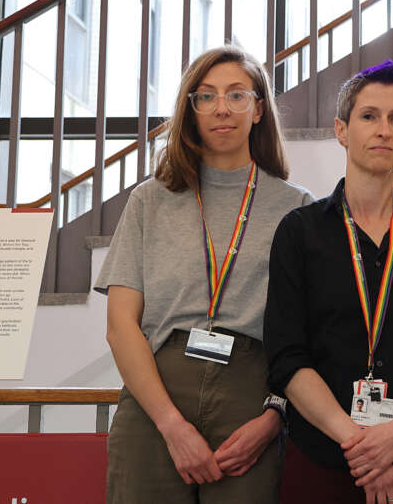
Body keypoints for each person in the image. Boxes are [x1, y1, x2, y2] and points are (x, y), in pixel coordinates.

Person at [96, 46, 312, 503]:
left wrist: (275, 416)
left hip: (250, 396)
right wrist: (172, 426)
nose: (221, 108)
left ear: (258, 109)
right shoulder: (149, 201)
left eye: (237, 95)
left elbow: (309, 333)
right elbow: (120, 326)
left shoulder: (296, 208)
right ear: (191, 110)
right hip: (157, 395)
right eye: (206, 96)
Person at [265, 60, 393, 504]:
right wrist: (362, 446)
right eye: (369, 116)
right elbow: (287, 358)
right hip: (321, 457)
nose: (383, 130)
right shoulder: (299, 232)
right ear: (341, 130)